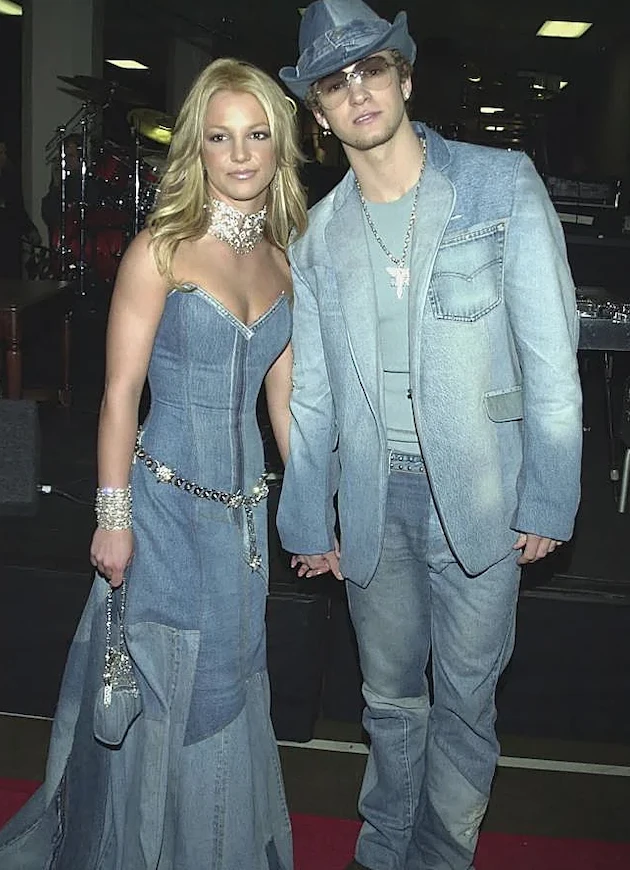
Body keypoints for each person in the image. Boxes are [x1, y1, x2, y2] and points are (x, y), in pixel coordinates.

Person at [277, 2, 583, 869]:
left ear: (404, 78)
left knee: (464, 702)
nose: (357, 92)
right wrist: (309, 519)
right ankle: (382, 853)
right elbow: (316, 396)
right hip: (378, 499)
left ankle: (442, 856)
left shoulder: (499, 184)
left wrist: (550, 496)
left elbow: (550, 359)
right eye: (334, 83)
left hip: (483, 494)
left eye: (371, 70)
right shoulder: (317, 235)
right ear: (320, 112)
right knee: (388, 703)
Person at [0, 57, 306, 869]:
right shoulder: (159, 251)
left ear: (279, 147)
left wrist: (313, 511)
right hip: (163, 513)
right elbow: (117, 395)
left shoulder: (284, 263)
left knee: (230, 687)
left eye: (257, 135)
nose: (240, 154)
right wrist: (113, 520)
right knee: (167, 689)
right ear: (197, 150)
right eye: (219, 136)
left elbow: (283, 410)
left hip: (243, 524)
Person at [0, 139, 40, 278]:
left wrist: (30, 229)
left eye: (4, 152)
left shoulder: (9, 178)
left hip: (8, 243)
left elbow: (17, 209)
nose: (4, 157)